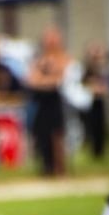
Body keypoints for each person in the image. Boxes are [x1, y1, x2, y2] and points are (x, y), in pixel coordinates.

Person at [25, 25, 73, 177]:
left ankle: (60, 168)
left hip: (57, 102)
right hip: (41, 102)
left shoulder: (63, 57)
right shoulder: (39, 59)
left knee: (58, 135)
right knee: (42, 134)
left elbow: (62, 78)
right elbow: (32, 80)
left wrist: (47, 79)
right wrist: (48, 79)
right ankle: (47, 167)